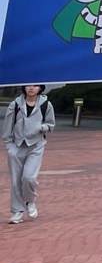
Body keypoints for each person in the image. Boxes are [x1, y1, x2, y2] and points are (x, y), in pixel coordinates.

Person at [4, 85, 54, 223]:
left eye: (35, 85)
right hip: (17, 146)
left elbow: (51, 125)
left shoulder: (46, 104)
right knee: (16, 181)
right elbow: (7, 127)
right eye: (28, 85)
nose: (31, 88)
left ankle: (30, 201)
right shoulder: (15, 105)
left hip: (36, 146)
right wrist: (9, 146)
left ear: (40, 88)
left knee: (29, 178)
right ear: (24, 87)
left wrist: (41, 127)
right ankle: (17, 212)